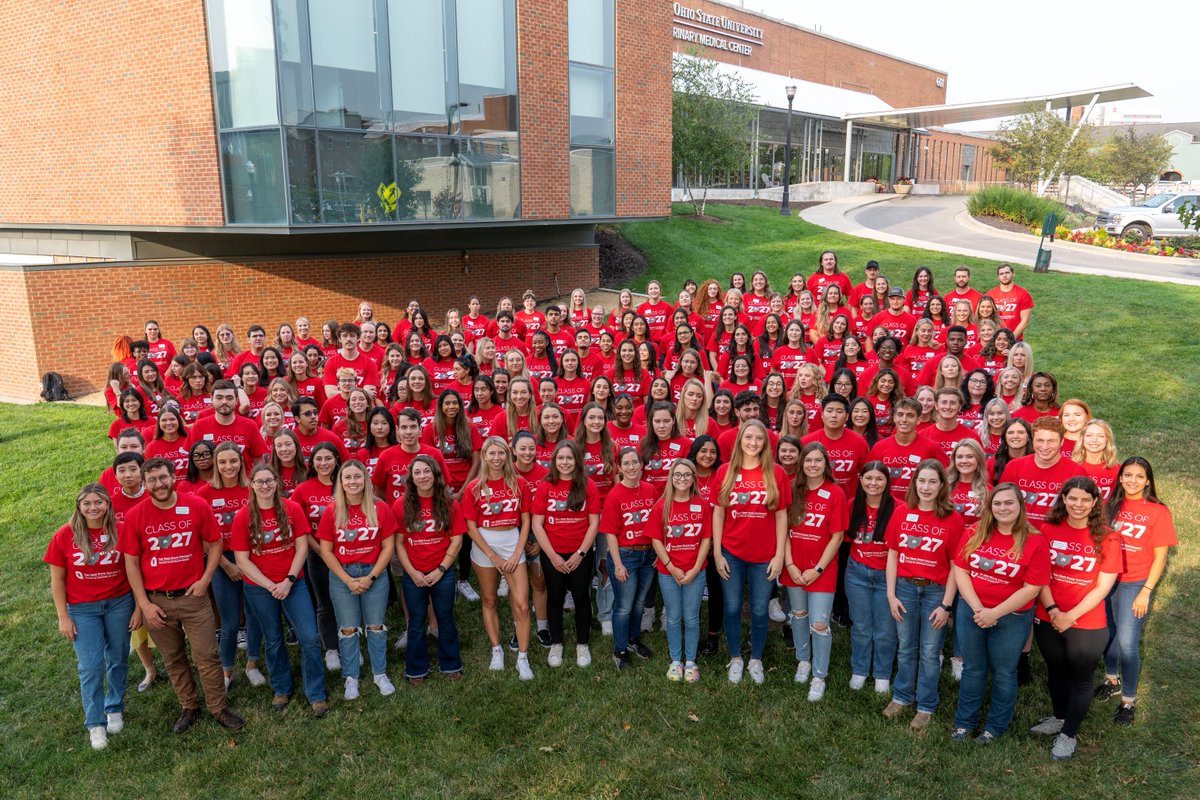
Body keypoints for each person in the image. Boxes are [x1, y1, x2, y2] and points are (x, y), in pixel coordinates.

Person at [119, 458, 244, 733]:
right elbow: (131, 562)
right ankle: (189, 705)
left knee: (206, 655)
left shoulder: (196, 505)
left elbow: (215, 542)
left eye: (163, 477)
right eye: (151, 480)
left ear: (172, 476)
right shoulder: (136, 516)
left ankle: (218, 708)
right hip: (157, 601)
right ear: (144, 482)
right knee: (173, 658)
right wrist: (144, 604)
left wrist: (205, 579)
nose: (158, 484)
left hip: (193, 597)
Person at [950, 483, 1050, 743]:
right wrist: (977, 608)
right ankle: (963, 723)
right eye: (997, 503)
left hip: (1011, 617)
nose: (1003, 508)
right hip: (972, 611)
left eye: (1009, 503)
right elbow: (961, 570)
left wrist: (995, 613)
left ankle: (994, 726)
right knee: (973, 668)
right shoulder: (974, 531)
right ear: (990, 507)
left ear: (1020, 506)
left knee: (1004, 672)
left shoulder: (1035, 540)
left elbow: (1032, 588)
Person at [1030, 476, 1121, 760]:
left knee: (1081, 678)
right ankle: (1059, 716)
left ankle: (1068, 734)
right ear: (1064, 499)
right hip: (1048, 614)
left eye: (1085, 499)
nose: (1078, 504)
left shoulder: (1108, 537)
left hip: (1087, 622)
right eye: (1072, 498)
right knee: (1056, 670)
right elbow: (1039, 575)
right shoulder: (1047, 529)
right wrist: (1055, 611)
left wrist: (1070, 616)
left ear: (1095, 502)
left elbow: (1103, 587)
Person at [46, 484, 138, 750]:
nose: (93, 507)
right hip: (82, 608)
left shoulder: (120, 530)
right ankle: (95, 723)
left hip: (120, 603)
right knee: (90, 666)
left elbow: (134, 568)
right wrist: (63, 616)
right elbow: (57, 580)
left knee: (119, 657)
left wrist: (139, 607)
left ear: (108, 504)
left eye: (98, 502)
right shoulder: (65, 535)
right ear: (79, 506)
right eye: (87, 503)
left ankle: (114, 707)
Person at [231, 464, 328, 716]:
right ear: (251, 484)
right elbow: (242, 561)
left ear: (277, 483)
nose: (265, 486)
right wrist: (270, 585)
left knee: (308, 636)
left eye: (269, 480)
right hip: (259, 587)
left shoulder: (291, 508)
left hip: (292, 584)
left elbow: (302, 548)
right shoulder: (243, 516)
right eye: (259, 481)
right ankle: (281, 688)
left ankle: (316, 693)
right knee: (273, 639)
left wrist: (288, 580)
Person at [883, 459, 964, 731]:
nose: (926, 487)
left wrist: (946, 605)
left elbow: (956, 566)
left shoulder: (952, 518)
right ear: (914, 483)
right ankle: (902, 695)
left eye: (932, 481)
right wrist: (891, 594)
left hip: (935, 592)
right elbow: (893, 553)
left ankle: (926, 704)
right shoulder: (902, 512)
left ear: (942, 485)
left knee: (930, 650)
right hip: (905, 587)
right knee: (905, 646)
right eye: (921, 481)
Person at [1096, 456, 1177, 726]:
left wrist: (1146, 591)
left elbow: (1159, 557)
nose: (1133, 480)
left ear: (1148, 481)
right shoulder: (1109, 506)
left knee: (1128, 645)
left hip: (1135, 584)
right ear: (1120, 478)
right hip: (1107, 581)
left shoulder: (1158, 511)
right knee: (1108, 635)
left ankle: (1128, 701)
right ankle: (1111, 679)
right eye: (1128, 475)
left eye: (1139, 476)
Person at [713, 420, 791, 684]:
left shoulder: (776, 473)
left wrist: (780, 555)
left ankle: (755, 658)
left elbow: (781, 516)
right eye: (749, 437)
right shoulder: (725, 471)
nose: (754, 443)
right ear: (740, 440)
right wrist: (717, 552)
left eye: (759, 438)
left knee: (759, 610)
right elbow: (718, 512)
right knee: (733, 607)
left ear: (766, 443)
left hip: (764, 556)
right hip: (731, 552)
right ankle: (735, 657)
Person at [316, 459, 399, 699]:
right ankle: (351, 677)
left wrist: (371, 577)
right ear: (340, 482)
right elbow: (326, 551)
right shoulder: (332, 510)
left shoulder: (379, 507)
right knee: (348, 628)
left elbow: (388, 547)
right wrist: (348, 580)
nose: (353, 482)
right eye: (348, 477)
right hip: (343, 575)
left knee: (375, 626)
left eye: (357, 477)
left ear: (366, 480)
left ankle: (379, 673)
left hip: (374, 572)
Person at [463, 437, 535, 680]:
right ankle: (497, 650)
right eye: (491, 453)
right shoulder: (475, 487)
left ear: (508, 455)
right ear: (484, 455)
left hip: (512, 541)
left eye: (501, 453)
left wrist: (517, 552)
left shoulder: (519, 483)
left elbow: (525, 520)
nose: (496, 458)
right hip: (485, 544)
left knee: (523, 604)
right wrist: (491, 555)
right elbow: (471, 526)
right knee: (490, 600)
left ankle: (522, 657)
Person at [195, 442, 265, 690]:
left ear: (241, 462)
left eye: (233, 461)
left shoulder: (251, 489)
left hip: (253, 561)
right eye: (222, 461)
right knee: (230, 621)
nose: (228, 466)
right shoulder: (204, 494)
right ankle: (226, 671)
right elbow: (201, 537)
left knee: (254, 615)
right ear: (215, 464)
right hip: (222, 562)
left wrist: (246, 564)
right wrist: (225, 565)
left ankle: (252, 664)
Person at [782, 443, 848, 701]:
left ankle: (819, 675)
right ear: (802, 464)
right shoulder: (792, 490)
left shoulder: (835, 493)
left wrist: (818, 568)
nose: (812, 465)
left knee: (819, 623)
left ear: (825, 464)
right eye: (808, 460)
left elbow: (837, 536)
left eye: (818, 460)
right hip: (794, 567)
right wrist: (790, 565)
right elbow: (783, 530)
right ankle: (803, 661)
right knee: (798, 615)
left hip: (822, 568)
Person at [394, 455, 465, 684]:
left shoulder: (448, 503)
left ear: (435, 475)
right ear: (411, 478)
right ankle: (416, 668)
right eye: (417, 473)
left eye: (427, 471)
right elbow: (399, 543)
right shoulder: (401, 505)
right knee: (416, 621)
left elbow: (456, 540)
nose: (422, 476)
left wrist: (442, 568)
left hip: (442, 572)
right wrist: (412, 572)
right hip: (413, 573)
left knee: (445, 618)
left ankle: (450, 663)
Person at [532, 440, 601, 668]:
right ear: (554, 461)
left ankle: (583, 645)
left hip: (579, 553)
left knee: (581, 598)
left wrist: (580, 553)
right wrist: (552, 556)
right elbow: (537, 524)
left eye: (569, 458)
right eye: (560, 458)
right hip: (553, 553)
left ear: (577, 461)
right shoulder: (545, 486)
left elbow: (593, 523)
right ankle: (557, 643)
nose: (565, 462)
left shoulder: (587, 485)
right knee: (555, 598)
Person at [645, 458, 712, 683]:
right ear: (671, 478)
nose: (682, 479)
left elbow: (706, 539)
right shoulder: (662, 505)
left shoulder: (701, 505)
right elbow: (656, 539)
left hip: (695, 570)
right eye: (678, 475)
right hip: (668, 572)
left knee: (692, 618)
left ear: (694, 478)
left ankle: (691, 661)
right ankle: (676, 660)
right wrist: (671, 567)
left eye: (687, 475)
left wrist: (694, 570)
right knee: (673, 617)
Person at [599, 447, 660, 669]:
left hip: (648, 554)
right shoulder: (615, 494)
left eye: (635, 462)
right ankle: (620, 649)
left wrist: (657, 552)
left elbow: (656, 524)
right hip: (626, 554)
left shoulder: (650, 490)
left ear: (641, 465)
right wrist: (617, 564)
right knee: (624, 606)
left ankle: (633, 639)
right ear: (620, 467)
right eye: (627, 463)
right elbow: (610, 533)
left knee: (639, 603)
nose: (632, 467)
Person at [844, 462, 897, 695]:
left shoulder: (898, 508)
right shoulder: (852, 505)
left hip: (887, 575)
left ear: (887, 481)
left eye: (879, 479)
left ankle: (882, 673)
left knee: (885, 628)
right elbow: (846, 541)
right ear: (860, 479)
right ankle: (860, 669)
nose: (873, 483)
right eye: (868, 478)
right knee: (861, 625)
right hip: (857, 573)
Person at [291, 442, 343, 670]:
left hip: (347, 553)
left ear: (336, 460)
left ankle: (350, 643)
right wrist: (321, 551)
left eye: (328, 458)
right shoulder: (303, 489)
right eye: (318, 459)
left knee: (348, 601)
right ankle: (331, 648)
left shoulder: (346, 483)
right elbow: (299, 526)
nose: (323, 463)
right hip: (317, 554)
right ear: (311, 463)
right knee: (324, 603)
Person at [999, 416, 1085, 524]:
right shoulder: (1014, 466)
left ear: (1062, 441)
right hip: (1019, 532)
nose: (1045, 446)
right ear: (1032, 440)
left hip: (1055, 534)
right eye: (1040, 440)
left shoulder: (1076, 472)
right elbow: (1002, 505)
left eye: (1051, 441)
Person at [868, 398, 941, 501]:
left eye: (910, 415)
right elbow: (869, 478)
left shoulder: (932, 447)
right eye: (900, 414)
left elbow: (945, 478)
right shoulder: (879, 447)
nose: (904, 419)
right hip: (885, 506)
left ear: (918, 419)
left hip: (918, 506)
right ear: (894, 417)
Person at [1073, 419, 1119, 499]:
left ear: (1107, 440)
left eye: (1100, 436)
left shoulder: (1117, 469)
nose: (1094, 440)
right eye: (1089, 435)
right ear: (1082, 438)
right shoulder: (1072, 467)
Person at [985, 263, 1033, 339]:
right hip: (994, 338)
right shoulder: (990, 294)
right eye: (1001, 274)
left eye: (1007, 273)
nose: (1004, 275)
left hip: (1015, 338)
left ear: (1013, 274)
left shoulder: (1023, 294)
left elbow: (1024, 321)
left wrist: (1011, 338)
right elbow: (985, 318)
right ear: (998, 277)